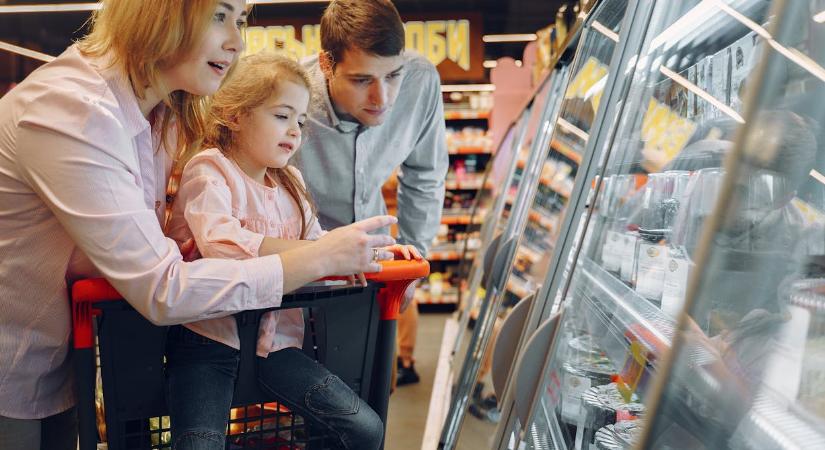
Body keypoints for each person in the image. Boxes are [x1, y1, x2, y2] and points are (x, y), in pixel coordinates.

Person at [0, 2, 395, 449]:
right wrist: (316, 258)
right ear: (160, 12)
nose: (236, 41)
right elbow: (164, 287)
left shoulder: (161, 115)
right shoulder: (74, 112)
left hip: (57, 363)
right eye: (219, 16)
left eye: (241, 20)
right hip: (11, 365)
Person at [165, 52, 420, 450]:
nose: (295, 131)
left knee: (365, 430)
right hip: (205, 343)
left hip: (279, 344)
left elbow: (318, 243)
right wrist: (323, 255)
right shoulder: (209, 170)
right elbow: (221, 246)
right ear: (234, 115)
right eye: (282, 116)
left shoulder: (292, 183)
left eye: (300, 121)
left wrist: (373, 253)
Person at [296, 0, 449, 386]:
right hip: (304, 279)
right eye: (362, 80)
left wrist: (416, 255)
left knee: (374, 391)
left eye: (392, 75)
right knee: (301, 402)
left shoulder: (420, 81)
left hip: (378, 270)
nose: (383, 97)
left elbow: (425, 174)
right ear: (328, 65)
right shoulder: (291, 98)